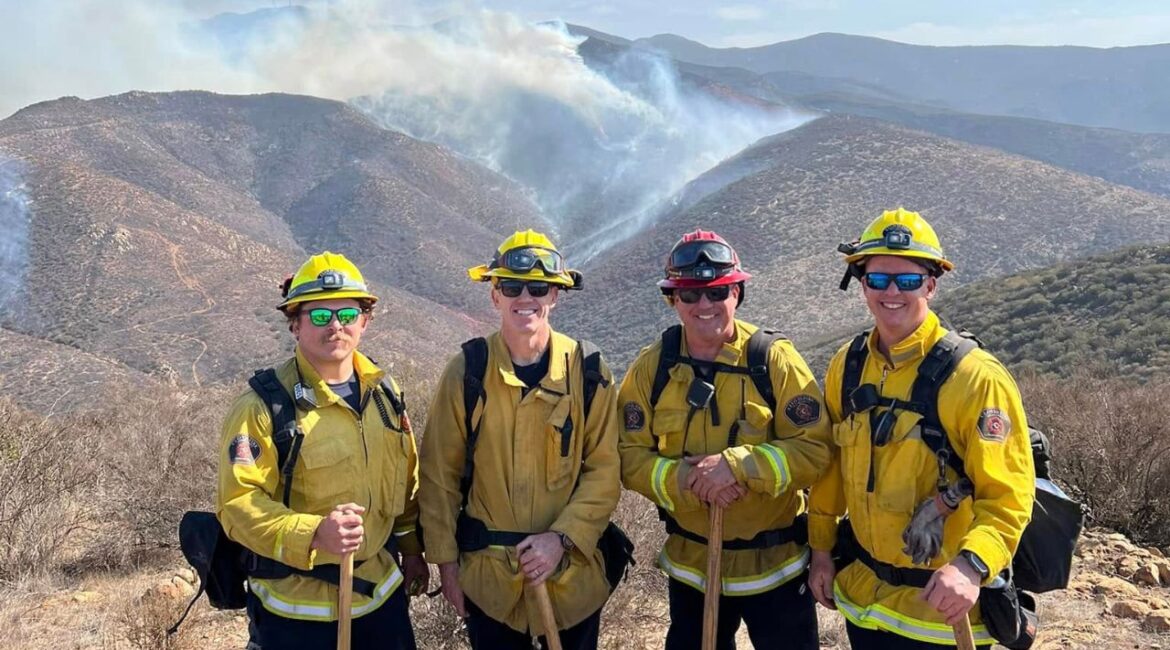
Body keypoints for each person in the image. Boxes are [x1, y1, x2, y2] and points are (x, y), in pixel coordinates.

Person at [807, 208, 1035, 648]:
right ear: (861, 285)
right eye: (878, 279)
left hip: (944, 614)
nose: (892, 292)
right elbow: (830, 468)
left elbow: (1008, 492)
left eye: (908, 281)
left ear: (931, 284)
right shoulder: (848, 365)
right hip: (867, 600)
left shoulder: (974, 377)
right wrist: (820, 549)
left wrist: (971, 566)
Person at [618, 229, 832, 650]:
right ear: (672, 299)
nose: (704, 305)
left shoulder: (772, 360)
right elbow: (627, 455)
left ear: (737, 293)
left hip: (777, 566)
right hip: (693, 566)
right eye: (690, 294)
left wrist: (738, 466)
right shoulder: (652, 368)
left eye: (717, 292)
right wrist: (684, 477)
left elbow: (816, 449)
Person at [419, 229, 621, 650]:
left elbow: (604, 470)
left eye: (538, 287)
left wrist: (560, 539)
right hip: (489, 580)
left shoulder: (589, 371)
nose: (524, 297)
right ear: (495, 295)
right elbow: (439, 475)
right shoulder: (467, 370)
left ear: (555, 296)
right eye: (511, 285)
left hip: (571, 578)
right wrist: (448, 567)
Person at [216, 252, 426, 650]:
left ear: (364, 321)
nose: (334, 327)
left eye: (346, 315)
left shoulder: (386, 395)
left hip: (381, 601)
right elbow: (237, 506)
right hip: (295, 614)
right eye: (319, 316)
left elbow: (405, 483)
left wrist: (413, 551)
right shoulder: (264, 407)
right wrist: (314, 534)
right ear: (294, 324)